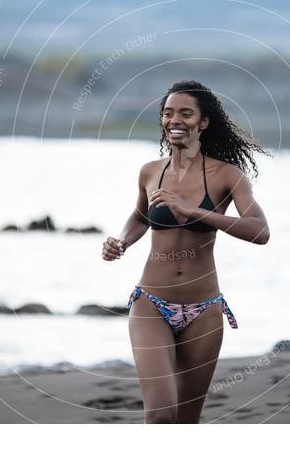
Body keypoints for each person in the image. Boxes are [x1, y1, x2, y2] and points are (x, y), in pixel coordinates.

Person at [101, 80, 271, 423]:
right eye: (168, 113)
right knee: (162, 415)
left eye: (185, 113)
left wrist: (195, 212)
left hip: (205, 310)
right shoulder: (150, 171)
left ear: (203, 122)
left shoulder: (227, 175)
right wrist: (121, 241)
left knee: (186, 421)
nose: (174, 119)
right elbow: (140, 215)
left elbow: (260, 231)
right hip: (152, 303)